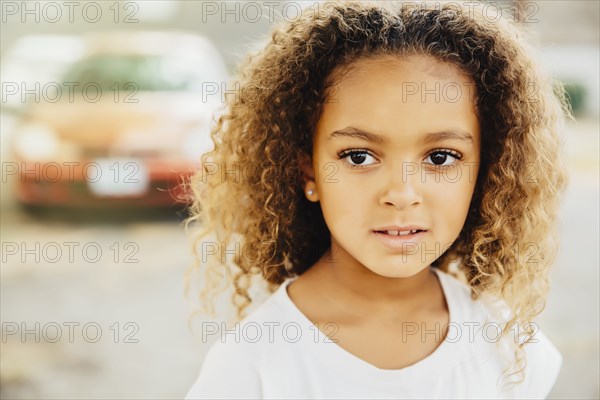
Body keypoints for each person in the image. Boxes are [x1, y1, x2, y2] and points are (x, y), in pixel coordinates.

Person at [184, 1, 570, 398]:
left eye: (440, 157)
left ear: (484, 173)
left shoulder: (509, 347)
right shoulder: (251, 367)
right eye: (359, 156)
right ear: (309, 173)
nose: (401, 195)